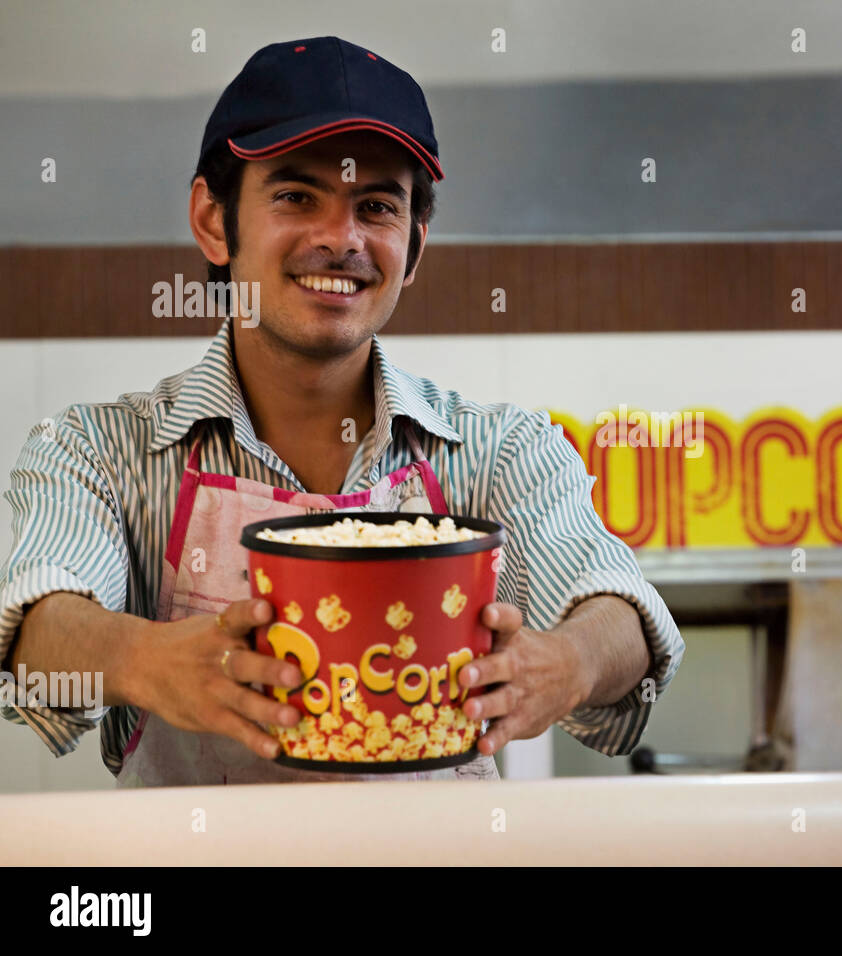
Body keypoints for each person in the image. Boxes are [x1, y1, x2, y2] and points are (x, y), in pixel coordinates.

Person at [0, 36, 684, 786]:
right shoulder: (97, 449)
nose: (341, 239)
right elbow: (37, 630)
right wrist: (141, 657)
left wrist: (569, 661)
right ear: (213, 220)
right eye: (296, 197)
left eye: (378, 206)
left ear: (415, 245)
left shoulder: (502, 452)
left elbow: (625, 619)